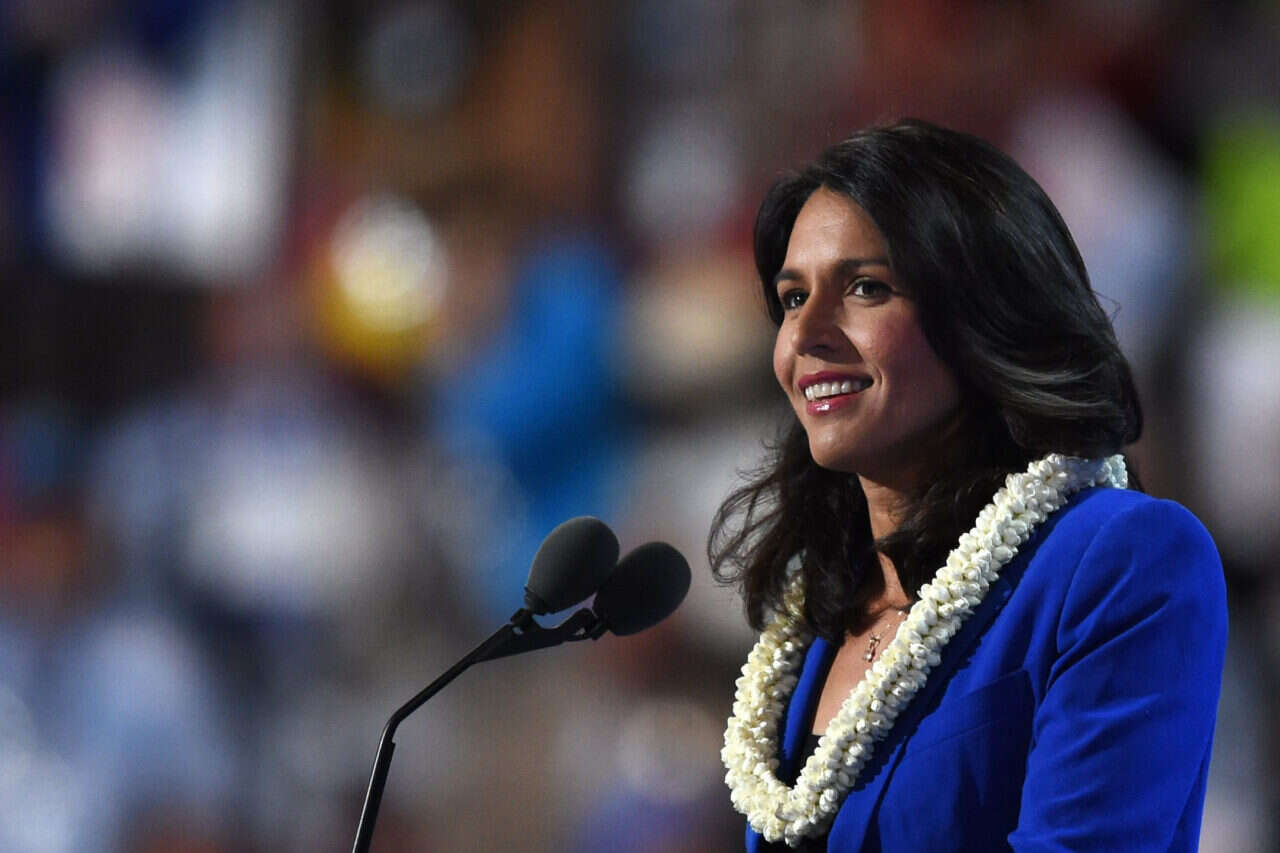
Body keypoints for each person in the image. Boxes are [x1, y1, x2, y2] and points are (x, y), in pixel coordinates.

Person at [711, 120, 1226, 851]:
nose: (806, 335)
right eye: (793, 298)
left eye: (865, 288)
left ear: (983, 311)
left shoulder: (1122, 559)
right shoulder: (819, 611)